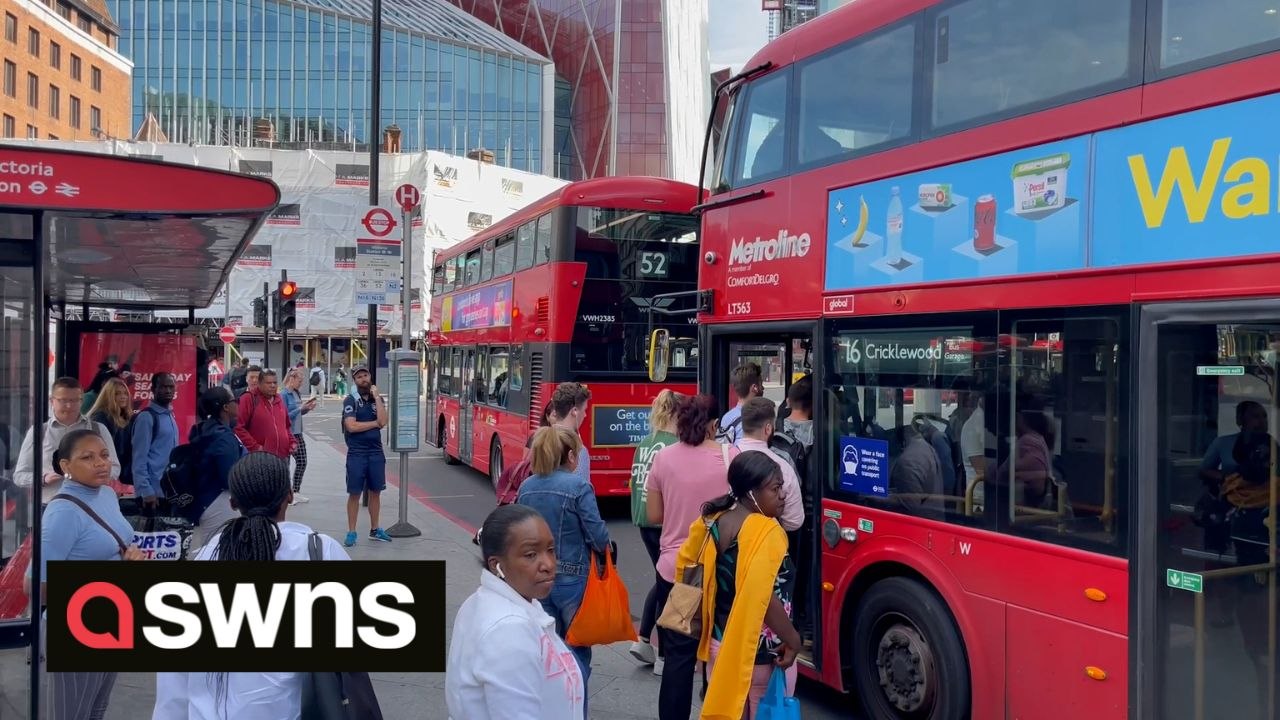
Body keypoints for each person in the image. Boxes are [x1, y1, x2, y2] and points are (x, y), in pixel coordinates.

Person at [152, 452, 350, 720]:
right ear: (289, 495)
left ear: (233, 502)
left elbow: (175, 672)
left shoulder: (205, 559)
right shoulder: (322, 552)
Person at [29, 429, 145, 720]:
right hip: (76, 623)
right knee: (70, 714)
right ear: (65, 466)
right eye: (87, 457)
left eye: (104, 455)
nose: (101, 463)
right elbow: (33, 586)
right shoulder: (62, 513)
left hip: (112, 617)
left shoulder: (107, 494)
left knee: (96, 709)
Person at [682, 451, 802, 719]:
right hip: (760, 654)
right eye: (775, 489)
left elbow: (686, 566)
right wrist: (793, 639)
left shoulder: (713, 521)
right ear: (751, 493)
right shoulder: (766, 531)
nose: (782, 495)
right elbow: (763, 596)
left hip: (719, 643)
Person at [646, 393, 738, 719]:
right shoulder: (731, 457)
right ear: (714, 425)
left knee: (678, 657)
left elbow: (654, 515)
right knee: (720, 651)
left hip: (678, 570)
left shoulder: (663, 458)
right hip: (721, 570)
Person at [446, 504, 585, 720]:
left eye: (550, 550)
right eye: (530, 555)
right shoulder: (509, 629)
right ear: (497, 565)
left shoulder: (485, 601)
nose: (549, 564)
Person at [516, 426, 610, 705]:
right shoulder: (578, 487)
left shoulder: (527, 487)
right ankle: (574, 707)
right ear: (570, 456)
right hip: (573, 578)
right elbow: (597, 535)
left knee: (547, 648)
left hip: (536, 578)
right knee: (576, 648)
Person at [629, 389, 681, 674]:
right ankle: (663, 654)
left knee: (661, 580)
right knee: (668, 585)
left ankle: (644, 639)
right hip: (665, 522)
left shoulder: (645, 444)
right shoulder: (674, 447)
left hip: (642, 519)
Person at [14, 377, 120, 506]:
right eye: (63, 400)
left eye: (74, 400)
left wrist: (93, 475)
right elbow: (19, 476)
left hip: (92, 506)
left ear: (81, 401)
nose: (69, 406)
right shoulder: (39, 432)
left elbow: (115, 467)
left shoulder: (98, 429)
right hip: (50, 505)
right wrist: (43, 478)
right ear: (52, 401)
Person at [186, 386, 247, 551]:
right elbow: (229, 477)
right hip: (219, 501)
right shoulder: (223, 437)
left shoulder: (208, 429)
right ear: (226, 407)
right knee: (220, 550)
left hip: (208, 500)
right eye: (235, 400)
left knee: (213, 548)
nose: (238, 403)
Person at [737, 397, 804, 532]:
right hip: (766, 537)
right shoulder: (783, 468)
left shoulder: (723, 457)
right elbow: (794, 522)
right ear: (768, 429)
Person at [342, 365, 391, 546]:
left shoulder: (377, 399)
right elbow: (351, 426)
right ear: (354, 381)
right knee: (354, 493)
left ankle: (375, 529)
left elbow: (383, 421)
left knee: (375, 492)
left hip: (376, 452)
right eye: (359, 377)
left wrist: (377, 397)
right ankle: (352, 532)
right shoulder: (351, 400)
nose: (363, 379)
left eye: (365, 375)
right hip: (357, 452)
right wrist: (374, 424)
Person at [130, 372, 180, 510]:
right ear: (153, 389)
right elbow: (139, 458)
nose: (168, 391)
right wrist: (146, 490)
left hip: (168, 492)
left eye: (171, 387)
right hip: (152, 496)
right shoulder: (146, 418)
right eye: (163, 387)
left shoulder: (169, 415)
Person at [87, 376, 134, 496]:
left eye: (125, 393)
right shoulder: (100, 417)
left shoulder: (125, 417)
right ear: (108, 396)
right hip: (105, 476)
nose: (123, 396)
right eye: (117, 394)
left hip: (119, 476)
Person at [234, 369, 294, 459]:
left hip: (282, 457)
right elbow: (238, 427)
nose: (273, 385)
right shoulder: (248, 399)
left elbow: (286, 426)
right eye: (268, 383)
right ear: (259, 384)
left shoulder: (279, 399)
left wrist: (292, 442)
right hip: (260, 458)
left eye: (275, 382)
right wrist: (256, 447)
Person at [281, 369, 317, 505]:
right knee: (286, 465)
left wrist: (306, 409)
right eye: (299, 381)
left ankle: (296, 491)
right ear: (292, 379)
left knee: (302, 461)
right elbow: (284, 416)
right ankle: (286, 495)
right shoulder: (283, 395)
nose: (301, 384)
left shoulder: (297, 393)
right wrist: (299, 409)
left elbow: (298, 414)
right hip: (287, 433)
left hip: (298, 433)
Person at [548, 382, 591, 485]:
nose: (585, 415)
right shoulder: (579, 450)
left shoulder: (539, 442)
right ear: (574, 411)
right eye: (584, 410)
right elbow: (581, 489)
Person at [719, 363, 762, 445]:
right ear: (754, 388)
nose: (763, 388)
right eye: (761, 384)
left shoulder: (726, 417)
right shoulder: (753, 420)